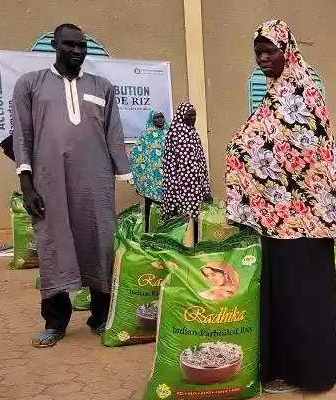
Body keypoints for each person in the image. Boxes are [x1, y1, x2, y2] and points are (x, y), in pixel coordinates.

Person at [226, 19, 336, 393]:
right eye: (257, 53)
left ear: (287, 51)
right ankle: (281, 369)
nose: (263, 59)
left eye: (269, 51)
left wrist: (248, 152)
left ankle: (312, 373)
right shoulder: (274, 94)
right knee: (282, 296)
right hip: (277, 220)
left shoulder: (301, 93)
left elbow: (308, 154)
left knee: (304, 298)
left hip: (306, 222)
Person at [11, 23, 132, 347]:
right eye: (69, 44)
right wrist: (27, 185)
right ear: (55, 45)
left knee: (101, 243)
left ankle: (101, 317)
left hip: (95, 181)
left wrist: (123, 173)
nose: (77, 51)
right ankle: (55, 321)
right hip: (49, 182)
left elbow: (113, 131)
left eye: (82, 46)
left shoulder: (102, 86)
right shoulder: (30, 85)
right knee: (54, 244)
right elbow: (22, 136)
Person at [161, 102, 210, 244]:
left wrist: (205, 186)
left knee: (195, 218)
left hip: (195, 185)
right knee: (181, 219)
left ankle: (193, 246)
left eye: (194, 115)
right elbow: (169, 163)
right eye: (189, 115)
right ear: (181, 115)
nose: (193, 118)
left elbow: (201, 161)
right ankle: (181, 247)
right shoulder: (174, 134)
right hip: (180, 186)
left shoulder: (194, 134)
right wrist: (173, 187)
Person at [129, 110, 168, 232]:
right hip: (151, 179)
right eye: (157, 117)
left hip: (167, 177)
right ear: (151, 119)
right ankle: (148, 231)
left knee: (167, 205)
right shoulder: (146, 135)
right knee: (149, 206)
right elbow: (136, 152)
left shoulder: (169, 133)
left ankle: (166, 231)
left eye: (162, 117)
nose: (160, 119)